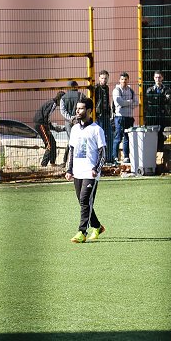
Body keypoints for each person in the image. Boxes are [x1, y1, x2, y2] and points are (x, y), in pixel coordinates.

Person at [65, 97, 107, 243]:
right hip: (77, 171)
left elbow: (103, 152)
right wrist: (69, 169)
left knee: (84, 200)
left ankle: (82, 232)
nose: (77, 111)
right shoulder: (75, 129)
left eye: (81, 108)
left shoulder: (97, 130)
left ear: (89, 111)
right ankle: (97, 226)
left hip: (90, 172)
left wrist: (96, 168)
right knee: (84, 203)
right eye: (77, 108)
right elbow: (72, 150)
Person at [34, 91, 66, 167]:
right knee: (49, 144)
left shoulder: (52, 103)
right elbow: (45, 116)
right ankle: (43, 165)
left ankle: (52, 163)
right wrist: (48, 129)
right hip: (40, 124)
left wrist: (53, 128)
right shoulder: (53, 104)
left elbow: (47, 118)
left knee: (53, 142)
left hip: (44, 124)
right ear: (60, 99)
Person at [112, 72, 137, 165]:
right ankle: (115, 157)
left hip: (129, 117)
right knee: (118, 137)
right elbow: (119, 102)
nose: (124, 81)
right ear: (119, 80)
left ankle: (126, 156)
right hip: (120, 117)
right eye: (122, 79)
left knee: (127, 137)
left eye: (125, 79)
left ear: (128, 80)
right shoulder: (116, 90)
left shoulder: (131, 91)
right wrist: (130, 102)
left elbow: (136, 103)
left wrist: (125, 103)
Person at [145, 70, 171, 151]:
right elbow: (149, 100)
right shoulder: (150, 89)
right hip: (152, 114)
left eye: (159, 77)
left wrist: (156, 98)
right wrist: (161, 98)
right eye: (156, 77)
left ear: (162, 78)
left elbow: (167, 100)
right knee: (152, 132)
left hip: (162, 113)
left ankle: (160, 150)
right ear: (154, 78)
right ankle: (152, 150)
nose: (158, 79)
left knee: (160, 132)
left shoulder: (167, 89)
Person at [59, 81, 82, 166]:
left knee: (70, 141)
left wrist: (70, 118)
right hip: (78, 120)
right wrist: (76, 117)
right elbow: (84, 107)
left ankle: (65, 161)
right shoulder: (80, 95)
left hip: (68, 122)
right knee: (79, 140)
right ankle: (77, 160)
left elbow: (63, 111)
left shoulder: (63, 98)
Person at [93, 70, 114, 164]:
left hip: (106, 114)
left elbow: (107, 100)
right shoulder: (96, 88)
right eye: (102, 78)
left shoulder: (107, 88)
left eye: (105, 78)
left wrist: (110, 112)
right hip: (99, 115)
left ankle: (109, 158)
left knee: (109, 136)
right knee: (100, 137)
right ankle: (100, 158)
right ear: (99, 78)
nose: (104, 80)